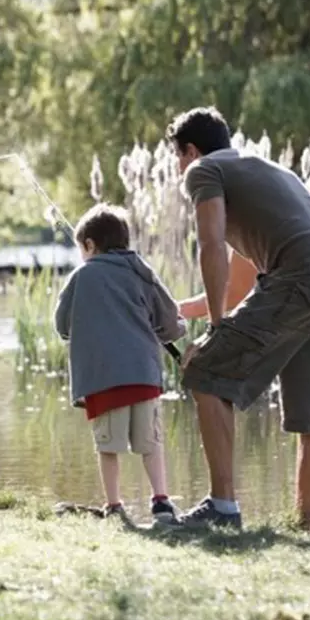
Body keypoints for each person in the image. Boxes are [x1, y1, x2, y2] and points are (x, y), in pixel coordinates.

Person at [167, 106, 310, 530]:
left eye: (178, 157)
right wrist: (183, 311)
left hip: (306, 275)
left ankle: (222, 508)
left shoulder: (203, 171)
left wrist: (218, 330)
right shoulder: (266, 173)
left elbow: (210, 245)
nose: (179, 169)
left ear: (190, 150)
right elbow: (240, 288)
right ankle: (302, 527)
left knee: (204, 370)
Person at [54, 203, 187, 522]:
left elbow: (61, 324)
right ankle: (161, 502)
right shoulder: (142, 270)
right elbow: (169, 319)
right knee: (150, 443)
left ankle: (114, 505)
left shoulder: (80, 276)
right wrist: (175, 330)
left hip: (102, 379)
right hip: (143, 377)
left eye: (81, 249)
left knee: (108, 447)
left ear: (89, 245)